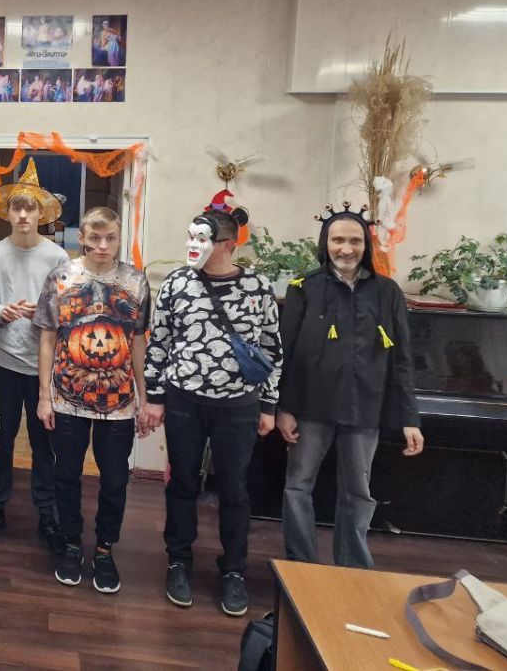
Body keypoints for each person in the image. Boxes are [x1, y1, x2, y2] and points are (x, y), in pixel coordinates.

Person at [140, 203, 281, 618]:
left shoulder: (257, 287)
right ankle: (178, 561)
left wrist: (269, 404)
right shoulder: (177, 283)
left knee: (234, 489)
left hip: (238, 405)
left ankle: (233, 569)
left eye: (201, 239)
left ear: (228, 244)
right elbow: (159, 342)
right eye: (189, 237)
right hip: (185, 401)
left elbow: (272, 347)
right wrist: (155, 397)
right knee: (182, 482)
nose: (192, 245)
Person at [276, 203, 424, 569]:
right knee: (298, 485)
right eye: (338, 240)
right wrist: (284, 407)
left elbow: (402, 359)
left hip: (365, 407)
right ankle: (300, 564)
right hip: (310, 407)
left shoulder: (388, 292)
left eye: (355, 241)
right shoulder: (303, 289)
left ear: (366, 245)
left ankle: (353, 567)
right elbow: (287, 354)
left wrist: (409, 418)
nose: (346, 248)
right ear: (325, 243)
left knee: (358, 491)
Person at [35, 206, 150, 594]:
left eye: (110, 238)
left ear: (119, 239)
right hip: (67, 398)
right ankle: (71, 544)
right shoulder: (61, 277)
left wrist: (143, 397)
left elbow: (138, 342)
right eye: (95, 238)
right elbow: (47, 338)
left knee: (115, 479)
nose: (102, 245)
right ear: (82, 237)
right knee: (66, 474)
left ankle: (104, 548)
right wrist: (44, 397)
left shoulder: (135, 281)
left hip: (119, 402)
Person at [0, 161, 67, 551]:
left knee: (45, 444)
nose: (24, 214)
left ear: (41, 213)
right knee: (2, 439)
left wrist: (44, 314)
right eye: (17, 208)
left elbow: (66, 311)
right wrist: (2, 311)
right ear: (8, 213)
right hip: (3, 362)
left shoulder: (57, 257)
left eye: (30, 208)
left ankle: (48, 514)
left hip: (44, 366)